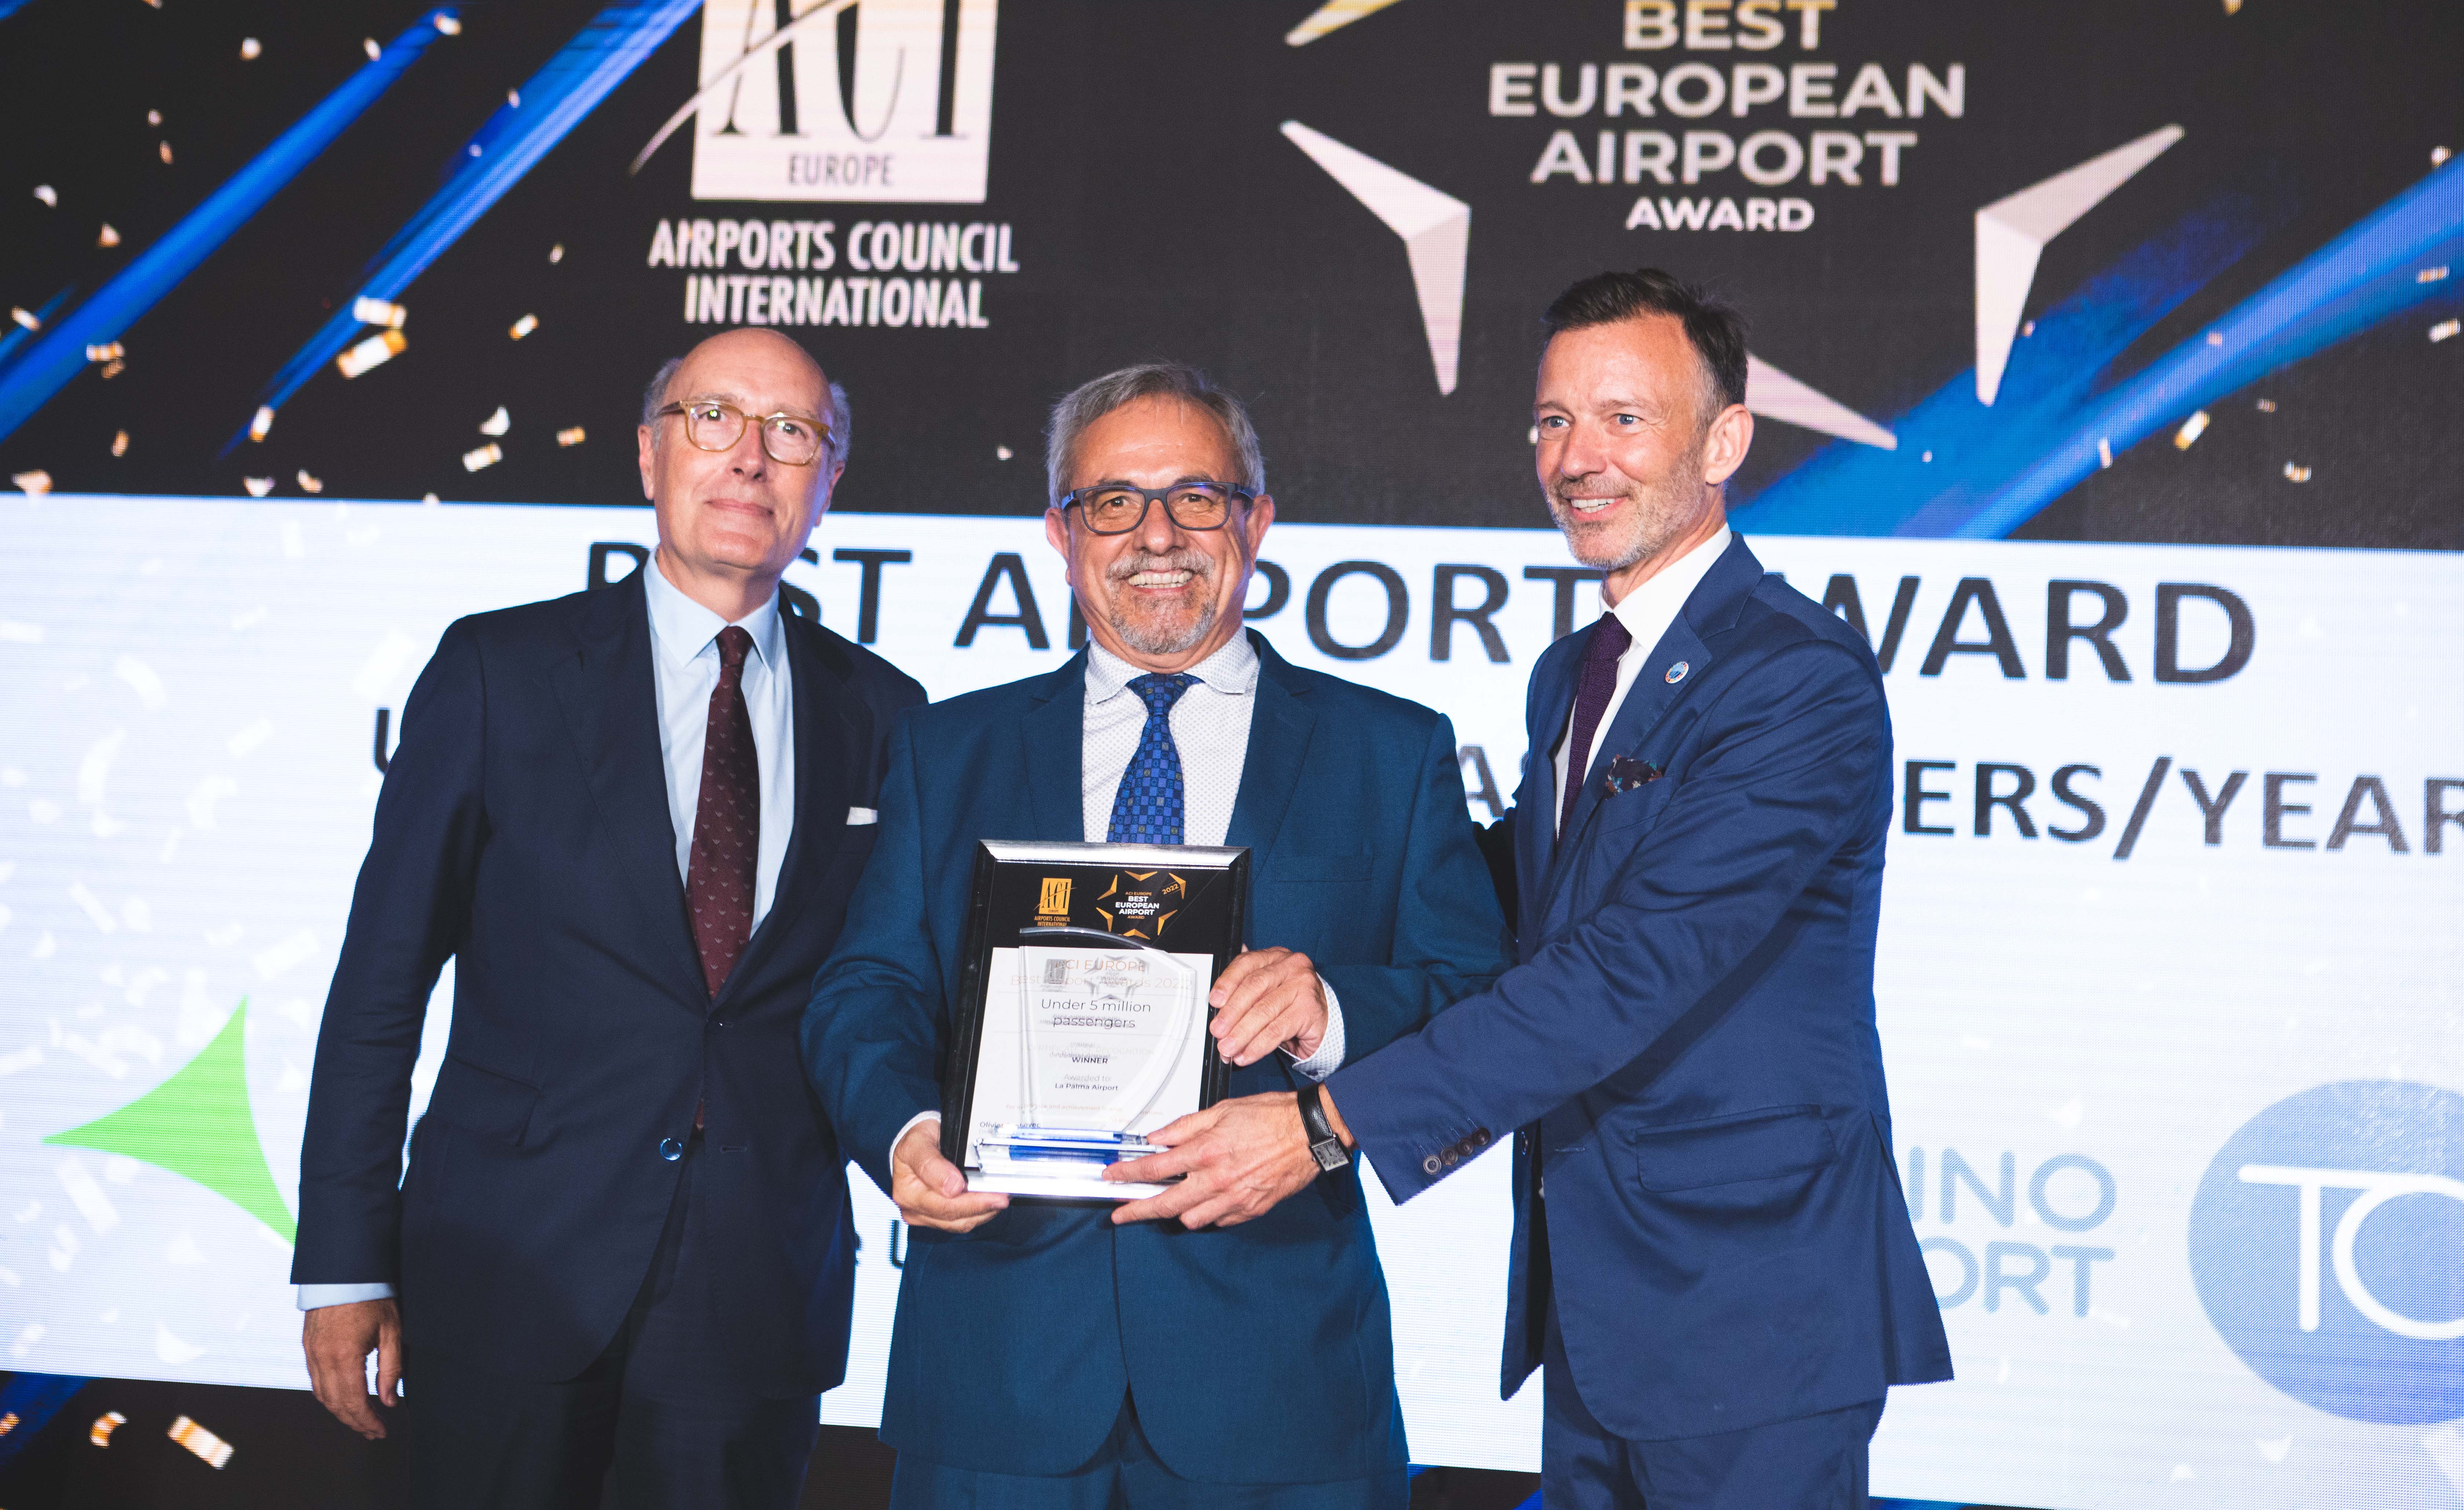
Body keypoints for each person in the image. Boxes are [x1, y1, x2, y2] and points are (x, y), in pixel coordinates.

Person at [1120, 273, 1952, 1508]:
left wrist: (1324, 1123)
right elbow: (1513, 892)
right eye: (1554, 421)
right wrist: (1313, 966)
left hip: (1752, 1314)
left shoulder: (1795, 679)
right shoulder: (1577, 671)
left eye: (1625, 418)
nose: (1577, 458)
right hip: (1602, 1307)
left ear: (1724, 441)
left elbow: (1626, 968)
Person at [801, 362, 1508, 1508]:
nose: (1157, 535)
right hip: (999, 1378)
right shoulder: (951, 750)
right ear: (1061, 532)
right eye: (1114, 502)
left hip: (1280, 1389)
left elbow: (1478, 1002)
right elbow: (866, 987)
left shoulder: (1392, 750)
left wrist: (1334, 1015)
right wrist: (903, 1131)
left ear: (1257, 521)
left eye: (1197, 498)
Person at [292, 327, 924, 1509]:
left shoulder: (887, 716)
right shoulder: (499, 672)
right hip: (506, 1273)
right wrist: (340, 1262)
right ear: (649, 456)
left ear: (830, 483)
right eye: (713, 419)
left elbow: (888, 993)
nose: (749, 459)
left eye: (792, 434)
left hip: (753, 1301)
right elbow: (380, 983)